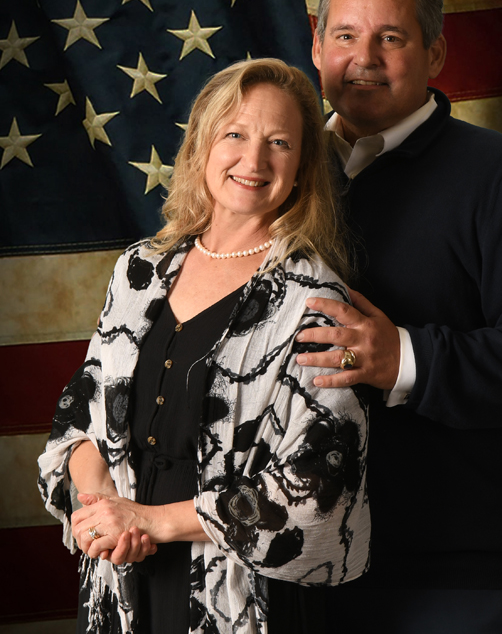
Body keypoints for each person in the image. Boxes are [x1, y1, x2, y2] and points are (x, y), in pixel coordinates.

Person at [294, 0, 502, 633]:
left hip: (454, 568)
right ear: (316, 47)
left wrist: (405, 359)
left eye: (391, 37)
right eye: (345, 35)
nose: (364, 57)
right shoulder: (279, 174)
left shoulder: (499, 177)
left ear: (434, 52)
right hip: (300, 560)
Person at [38, 58, 370, 634]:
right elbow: (80, 413)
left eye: (279, 143)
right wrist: (102, 507)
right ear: (200, 145)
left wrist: (152, 520)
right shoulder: (140, 271)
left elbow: (320, 486)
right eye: (234, 134)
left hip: (243, 598)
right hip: (123, 577)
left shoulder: (315, 301)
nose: (254, 160)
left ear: (302, 168)